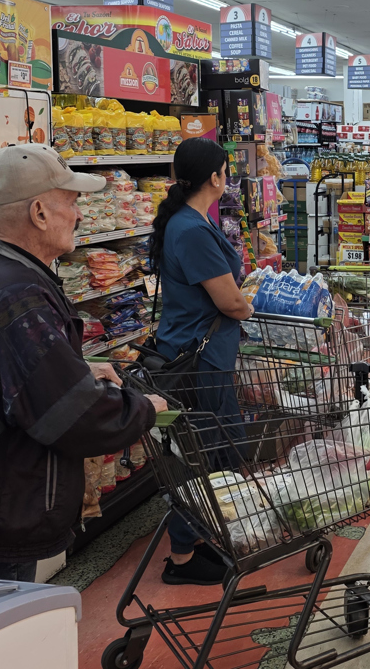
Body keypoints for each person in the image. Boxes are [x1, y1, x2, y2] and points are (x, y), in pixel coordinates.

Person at [0, 144, 167, 581]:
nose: (80, 214)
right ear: (39, 213)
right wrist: (145, 409)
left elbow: (0, 371)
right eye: (70, 201)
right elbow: (70, 416)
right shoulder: (18, 293)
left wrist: (77, 370)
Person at [150, 137, 257, 586]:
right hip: (199, 358)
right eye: (226, 170)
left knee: (212, 447)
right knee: (213, 449)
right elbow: (229, 303)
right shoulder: (191, 230)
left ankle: (198, 537)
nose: (228, 177)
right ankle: (182, 553)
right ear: (215, 177)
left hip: (199, 351)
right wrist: (248, 304)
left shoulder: (190, 220)